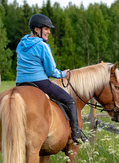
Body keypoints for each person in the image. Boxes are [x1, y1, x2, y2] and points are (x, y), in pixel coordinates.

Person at [15, 13, 87, 144]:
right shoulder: (42, 46)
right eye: (46, 28)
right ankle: (76, 134)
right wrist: (64, 74)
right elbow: (51, 71)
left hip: (20, 84)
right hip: (40, 82)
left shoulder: (21, 44)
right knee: (70, 100)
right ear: (37, 29)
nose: (48, 32)